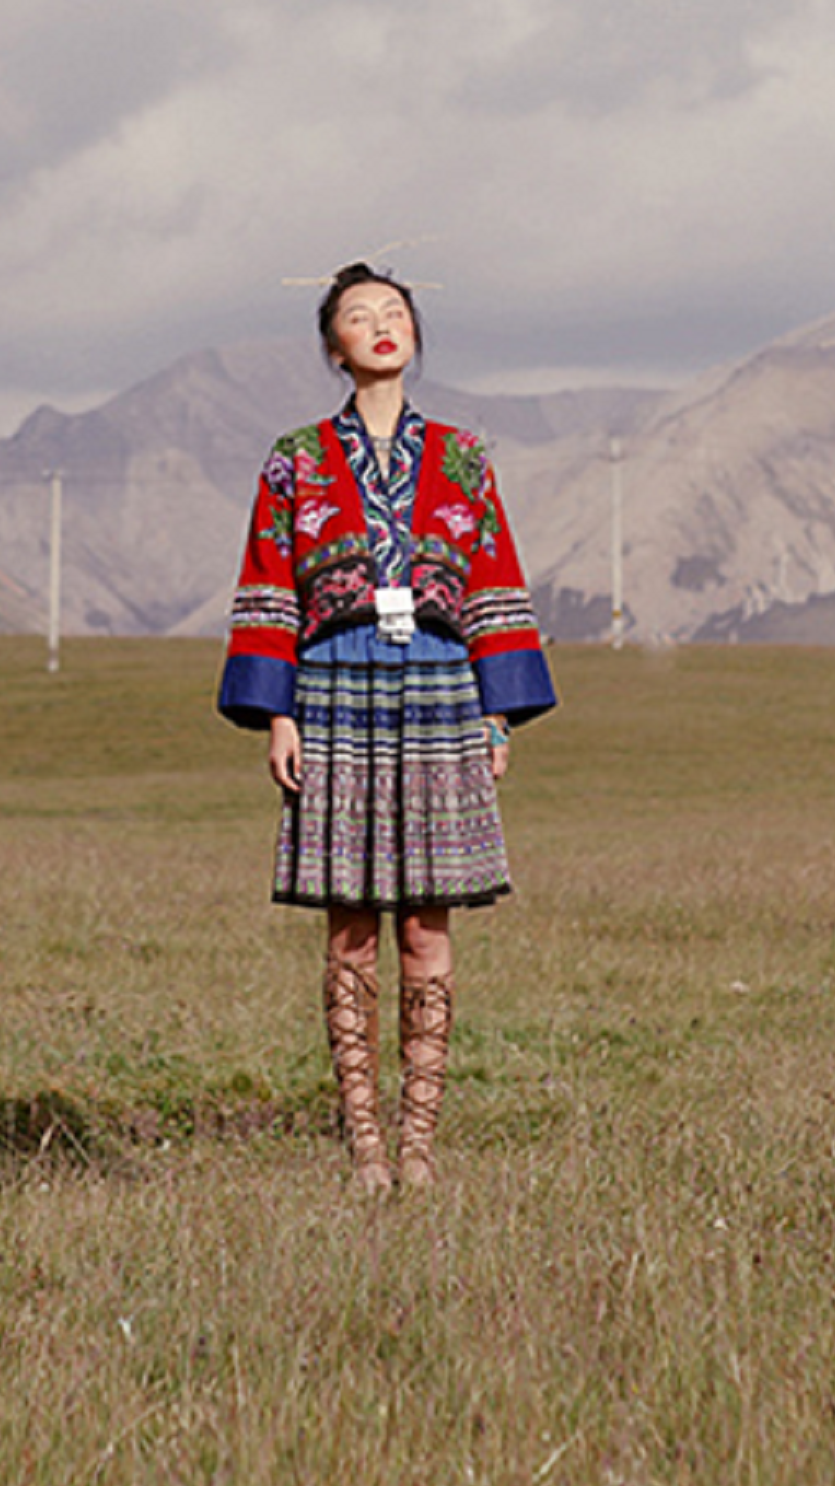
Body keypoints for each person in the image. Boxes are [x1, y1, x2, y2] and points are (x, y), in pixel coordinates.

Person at [217, 262, 556, 1193]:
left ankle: (420, 1142)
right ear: (334, 347)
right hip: (332, 682)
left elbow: (493, 579)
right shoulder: (292, 457)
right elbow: (267, 581)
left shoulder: (463, 457)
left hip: (442, 683)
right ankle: (363, 1140)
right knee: (352, 924)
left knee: (429, 924)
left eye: (394, 313)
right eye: (359, 316)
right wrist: (275, 711)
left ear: (414, 336)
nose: (380, 326)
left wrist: (499, 709)